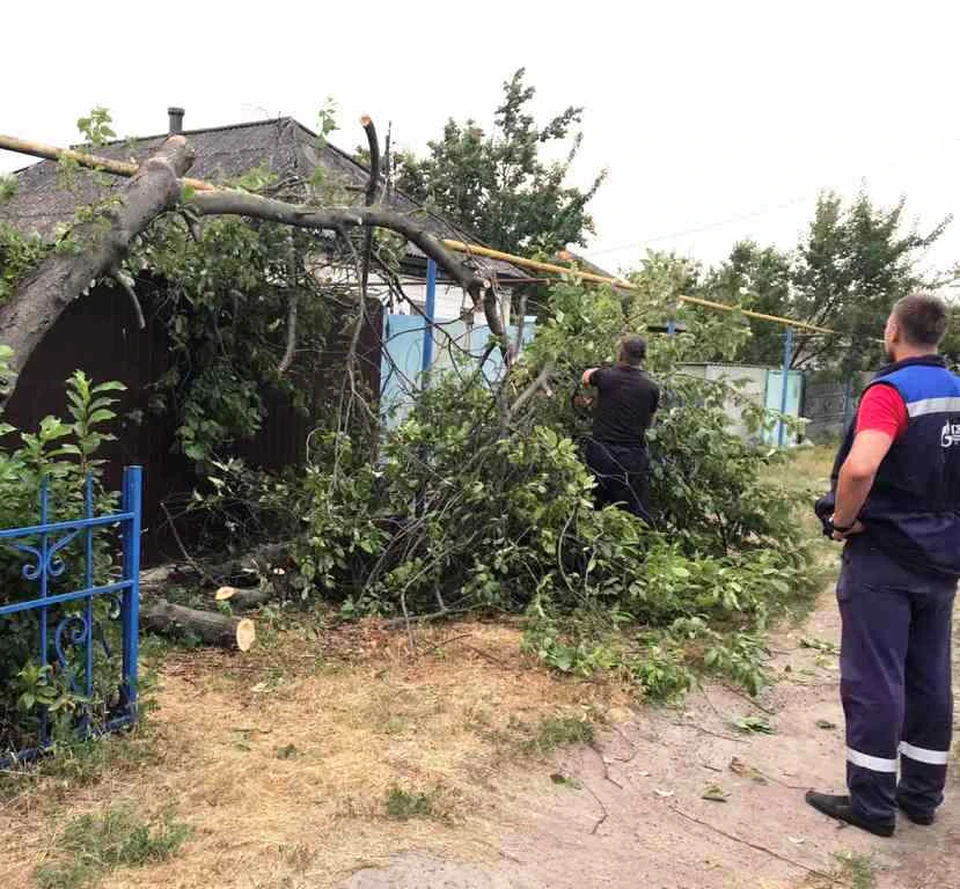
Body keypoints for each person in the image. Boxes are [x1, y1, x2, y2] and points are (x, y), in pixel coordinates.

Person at [807, 293, 960, 837]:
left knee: (875, 676)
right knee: (929, 674)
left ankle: (871, 804)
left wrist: (844, 520)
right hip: (943, 559)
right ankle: (920, 795)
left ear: (893, 330)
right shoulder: (956, 391)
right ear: (938, 334)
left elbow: (860, 467)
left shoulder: (892, 391)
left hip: (886, 555)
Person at [580, 335, 660, 523]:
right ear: (643, 357)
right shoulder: (651, 387)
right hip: (632, 458)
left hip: (602, 453)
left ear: (621, 354)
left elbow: (585, 377)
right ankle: (631, 548)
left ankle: (591, 547)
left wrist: (592, 398)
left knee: (593, 506)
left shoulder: (606, 376)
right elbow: (650, 423)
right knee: (632, 513)